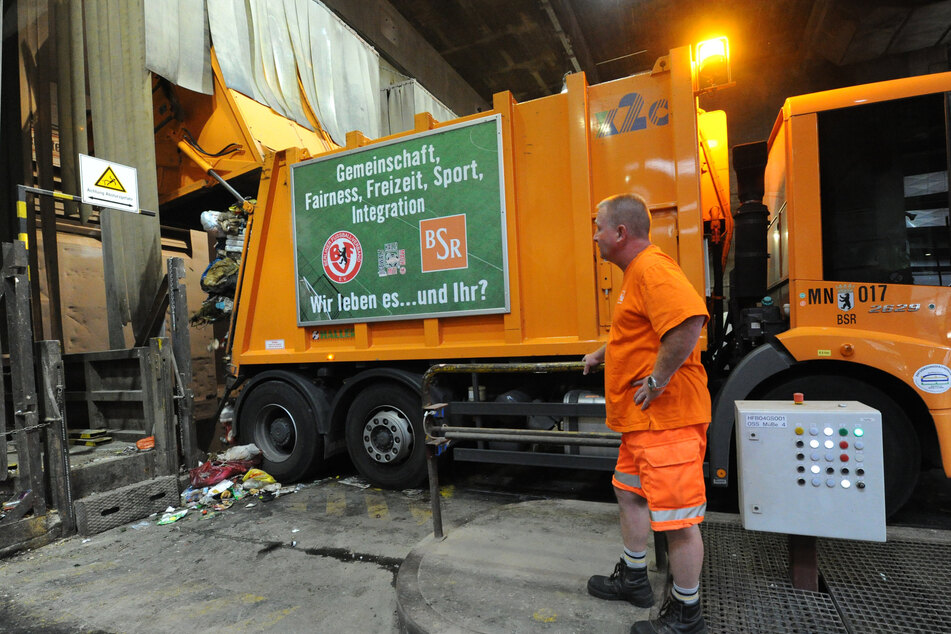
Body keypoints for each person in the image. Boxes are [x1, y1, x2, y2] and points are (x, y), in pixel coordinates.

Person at [583, 193, 710, 634]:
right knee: (629, 493)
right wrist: (604, 353)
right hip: (642, 425)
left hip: (666, 421)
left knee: (678, 521)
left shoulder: (653, 269)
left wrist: (656, 381)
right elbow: (642, 329)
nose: (594, 235)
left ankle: (686, 614)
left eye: (598, 226)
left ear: (620, 233)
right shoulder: (636, 274)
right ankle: (635, 578)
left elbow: (688, 322)